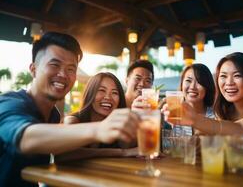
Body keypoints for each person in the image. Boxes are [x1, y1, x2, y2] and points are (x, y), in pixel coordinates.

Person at [0, 32, 139, 187]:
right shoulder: (9, 103)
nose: (63, 75)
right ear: (33, 69)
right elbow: (25, 138)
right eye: (55, 65)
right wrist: (99, 129)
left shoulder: (53, 115)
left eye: (71, 69)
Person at [64, 72, 137, 152]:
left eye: (114, 93)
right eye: (102, 90)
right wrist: (121, 153)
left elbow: (132, 148)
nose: (108, 97)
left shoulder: (118, 126)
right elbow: (65, 154)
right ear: (90, 93)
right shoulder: (72, 121)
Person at [163, 63, 215, 136]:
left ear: (207, 86)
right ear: (182, 84)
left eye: (199, 82)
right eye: (188, 81)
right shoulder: (172, 113)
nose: (192, 87)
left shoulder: (216, 116)